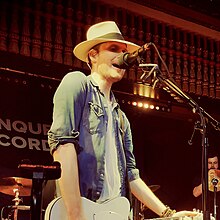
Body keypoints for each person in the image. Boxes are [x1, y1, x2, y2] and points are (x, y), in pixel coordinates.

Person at [48, 21, 197, 220]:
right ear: (93, 55)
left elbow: (131, 176)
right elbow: (63, 147)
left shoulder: (121, 118)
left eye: (123, 50)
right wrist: (76, 214)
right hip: (81, 210)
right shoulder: (77, 84)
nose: (122, 56)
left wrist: (169, 214)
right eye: (113, 49)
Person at [193, 149, 220, 219]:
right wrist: (208, 178)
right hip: (204, 213)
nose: (212, 165)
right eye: (210, 163)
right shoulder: (200, 176)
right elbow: (195, 193)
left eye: (215, 162)